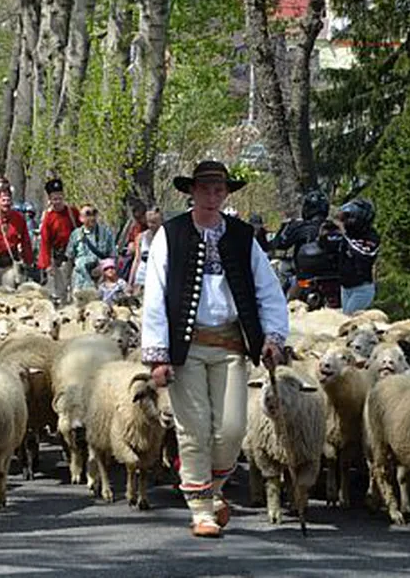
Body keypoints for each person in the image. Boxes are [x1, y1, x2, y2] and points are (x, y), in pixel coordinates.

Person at [141, 160, 288, 538]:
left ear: (226, 193)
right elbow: (155, 294)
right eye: (205, 188)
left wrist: (272, 336)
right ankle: (201, 509)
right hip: (186, 348)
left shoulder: (241, 236)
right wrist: (157, 354)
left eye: (218, 189)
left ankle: (213, 490)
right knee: (194, 430)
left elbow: (267, 289)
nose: (212, 195)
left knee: (232, 429)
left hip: (231, 345)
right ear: (191, 191)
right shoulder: (170, 234)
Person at [322, 199, 381, 314]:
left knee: (349, 320)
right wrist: (324, 233)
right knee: (345, 319)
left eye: (348, 218)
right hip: (345, 287)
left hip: (362, 289)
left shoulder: (371, 237)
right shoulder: (348, 234)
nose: (345, 221)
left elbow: (363, 252)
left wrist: (343, 233)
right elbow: (328, 247)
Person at [37, 179, 81, 303]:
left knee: (75, 290)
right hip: (59, 258)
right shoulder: (49, 218)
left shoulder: (72, 212)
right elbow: (45, 242)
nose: (57, 201)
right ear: (50, 200)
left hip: (74, 257)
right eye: (54, 199)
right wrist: (47, 264)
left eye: (59, 198)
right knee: (60, 290)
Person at [0, 188, 33, 279]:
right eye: (3, 200)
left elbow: (25, 241)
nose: (6, 203)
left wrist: (28, 261)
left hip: (10, 264)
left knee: (10, 289)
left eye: (8, 200)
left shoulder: (19, 219)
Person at [65, 204, 115, 293]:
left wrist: (103, 268)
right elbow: (70, 257)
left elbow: (112, 255)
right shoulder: (76, 235)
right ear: (81, 218)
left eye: (94, 213)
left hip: (100, 281)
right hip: (80, 281)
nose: (92, 217)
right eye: (88, 214)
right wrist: (67, 281)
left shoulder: (106, 233)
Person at [128, 207, 163, 293]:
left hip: (158, 276)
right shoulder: (141, 237)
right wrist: (130, 282)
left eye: (154, 222)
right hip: (142, 276)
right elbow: (137, 260)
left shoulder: (166, 237)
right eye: (149, 222)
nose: (151, 225)